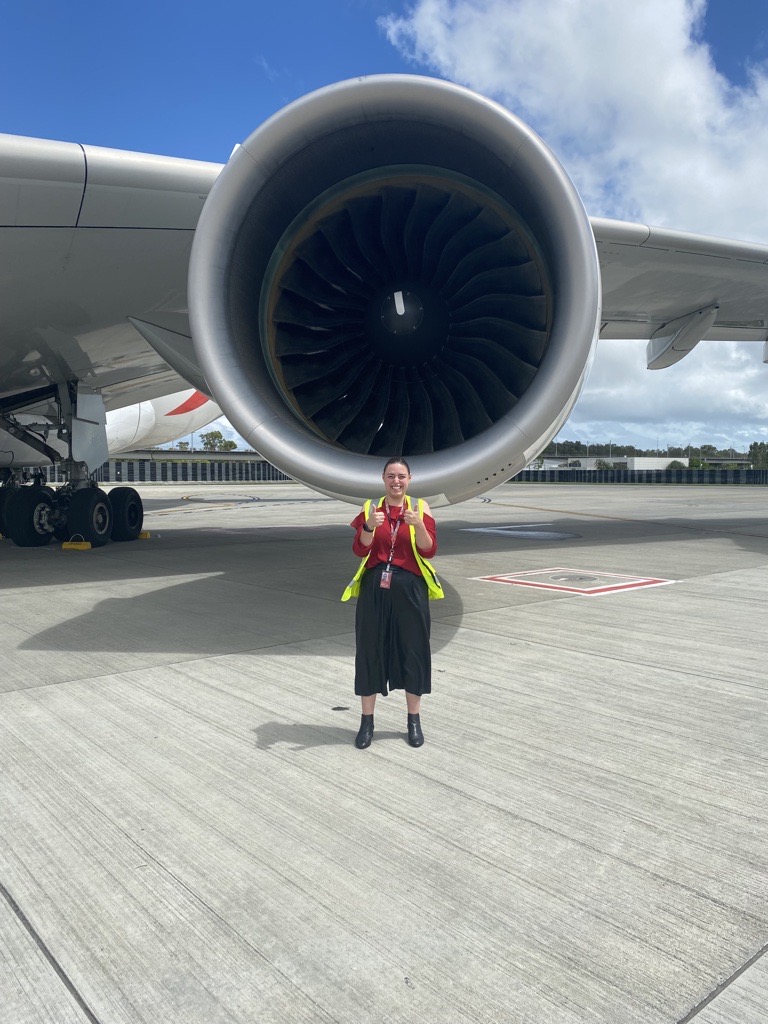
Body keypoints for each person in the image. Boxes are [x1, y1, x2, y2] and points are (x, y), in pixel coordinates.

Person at [342, 457, 442, 750]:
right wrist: (368, 526)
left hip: (410, 586)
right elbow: (359, 549)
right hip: (376, 586)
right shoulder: (371, 507)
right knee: (369, 649)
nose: (396, 481)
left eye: (401, 476)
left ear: (409, 479)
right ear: (383, 479)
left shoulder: (420, 507)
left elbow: (429, 550)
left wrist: (418, 525)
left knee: (414, 650)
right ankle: (367, 722)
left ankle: (413, 721)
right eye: (390, 476)